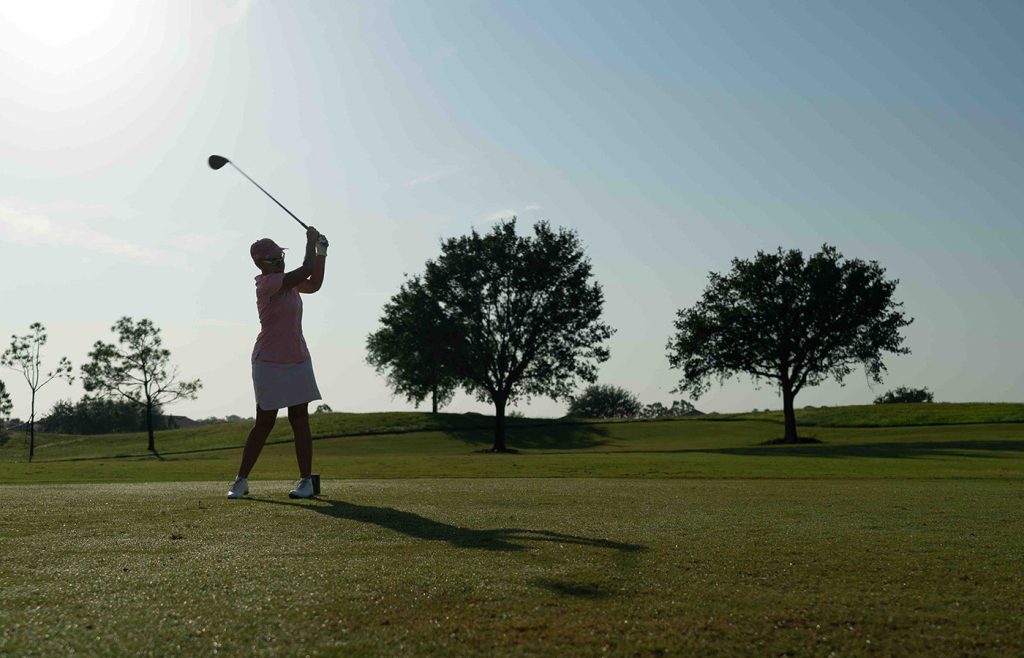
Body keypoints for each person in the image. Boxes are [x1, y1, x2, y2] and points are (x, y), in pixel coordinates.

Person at [227, 226, 328, 499]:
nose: (280, 263)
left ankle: (306, 481)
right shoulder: (268, 284)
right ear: (260, 264)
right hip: (269, 360)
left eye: (281, 257)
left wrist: (322, 252)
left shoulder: (287, 281)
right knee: (264, 421)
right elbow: (305, 270)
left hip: (297, 358)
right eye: (274, 260)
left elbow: (314, 283)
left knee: (300, 419)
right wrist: (310, 244)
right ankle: (241, 481)